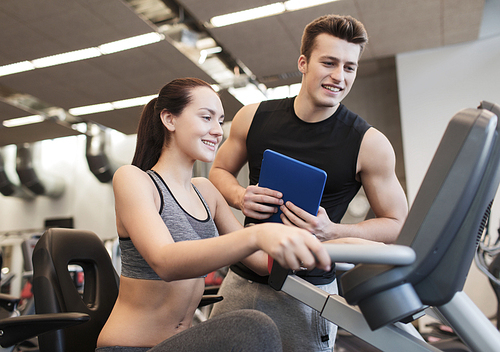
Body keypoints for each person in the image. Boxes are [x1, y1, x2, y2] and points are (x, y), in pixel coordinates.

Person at [208, 14, 409, 352]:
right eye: (328, 63)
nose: (338, 77)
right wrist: (240, 196)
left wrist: (334, 231)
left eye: (349, 67)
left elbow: (397, 222)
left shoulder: (369, 143)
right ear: (303, 62)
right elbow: (218, 172)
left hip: (310, 293)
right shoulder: (253, 117)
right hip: (241, 281)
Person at [95, 77, 333, 352]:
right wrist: (258, 233)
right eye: (206, 117)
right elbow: (165, 261)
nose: (218, 131)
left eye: (220, 121)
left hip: (179, 344)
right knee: (251, 326)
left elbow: (258, 262)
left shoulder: (205, 191)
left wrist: (310, 242)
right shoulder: (134, 180)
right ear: (169, 120)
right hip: (130, 347)